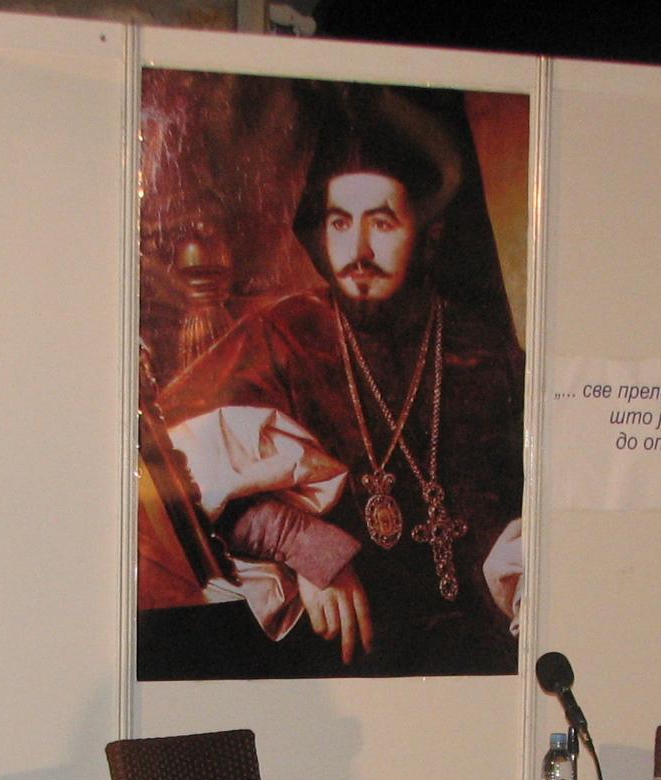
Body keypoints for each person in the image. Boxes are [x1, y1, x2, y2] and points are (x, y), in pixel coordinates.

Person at [152, 83, 524, 678]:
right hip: (342, 655)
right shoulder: (280, 337)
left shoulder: (486, 350)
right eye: (340, 222)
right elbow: (175, 477)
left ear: (427, 232)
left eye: (383, 223)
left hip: (484, 652)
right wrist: (304, 544)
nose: (359, 250)